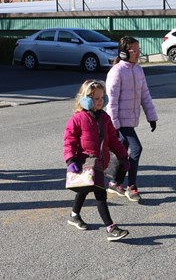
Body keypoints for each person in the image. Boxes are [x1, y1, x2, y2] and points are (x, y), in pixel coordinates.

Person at [63, 80, 130, 241]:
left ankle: (74, 215)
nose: (100, 101)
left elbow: (113, 140)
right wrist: (70, 159)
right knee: (100, 194)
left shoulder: (105, 118)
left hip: (99, 163)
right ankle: (110, 228)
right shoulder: (78, 119)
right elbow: (69, 140)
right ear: (85, 99)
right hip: (84, 162)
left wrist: (123, 157)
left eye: (102, 98)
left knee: (84, 190)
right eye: (95, 98)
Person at [105, 36, 158, 202]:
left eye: (138, 49)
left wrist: (151, 116)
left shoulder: (138, 70)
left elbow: (145, 95)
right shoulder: (117, 71)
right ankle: (132, 186)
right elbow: (111, 100)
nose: (137, 53)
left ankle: (115, 182)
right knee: (136, 149)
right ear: (123, 53)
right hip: (120, 121)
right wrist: (114, 125)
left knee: (122, 152)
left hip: (130, 120)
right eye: (134, 50)